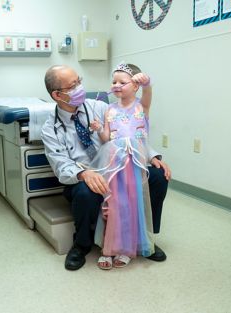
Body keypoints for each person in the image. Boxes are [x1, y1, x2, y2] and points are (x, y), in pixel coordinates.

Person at [41, 65, 171, 271]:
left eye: (79, 81)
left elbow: (128, 131)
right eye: (73, 86)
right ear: (57, 95)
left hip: (116, 167)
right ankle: (81, 245)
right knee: (86, 191)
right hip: (83, 174)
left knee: (157, 176)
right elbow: (60, 165)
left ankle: (144, 237)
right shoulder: (50, 129)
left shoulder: (100, 107)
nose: (80, 88)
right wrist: (84, 173)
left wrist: (153, 155)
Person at [89, 63, 159, 270]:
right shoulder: (110, 109)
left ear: (135, 86)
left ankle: (126, 248)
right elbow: (105, 139)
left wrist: (147, 83)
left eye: (123, 82)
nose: (117, 85)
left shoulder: (141, 106)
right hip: (113, 161)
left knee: (131, 204)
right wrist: (99, 128)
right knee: (113, 205)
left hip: (133, 163)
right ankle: (109, 248)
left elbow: (148, 92)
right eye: (114, 82)